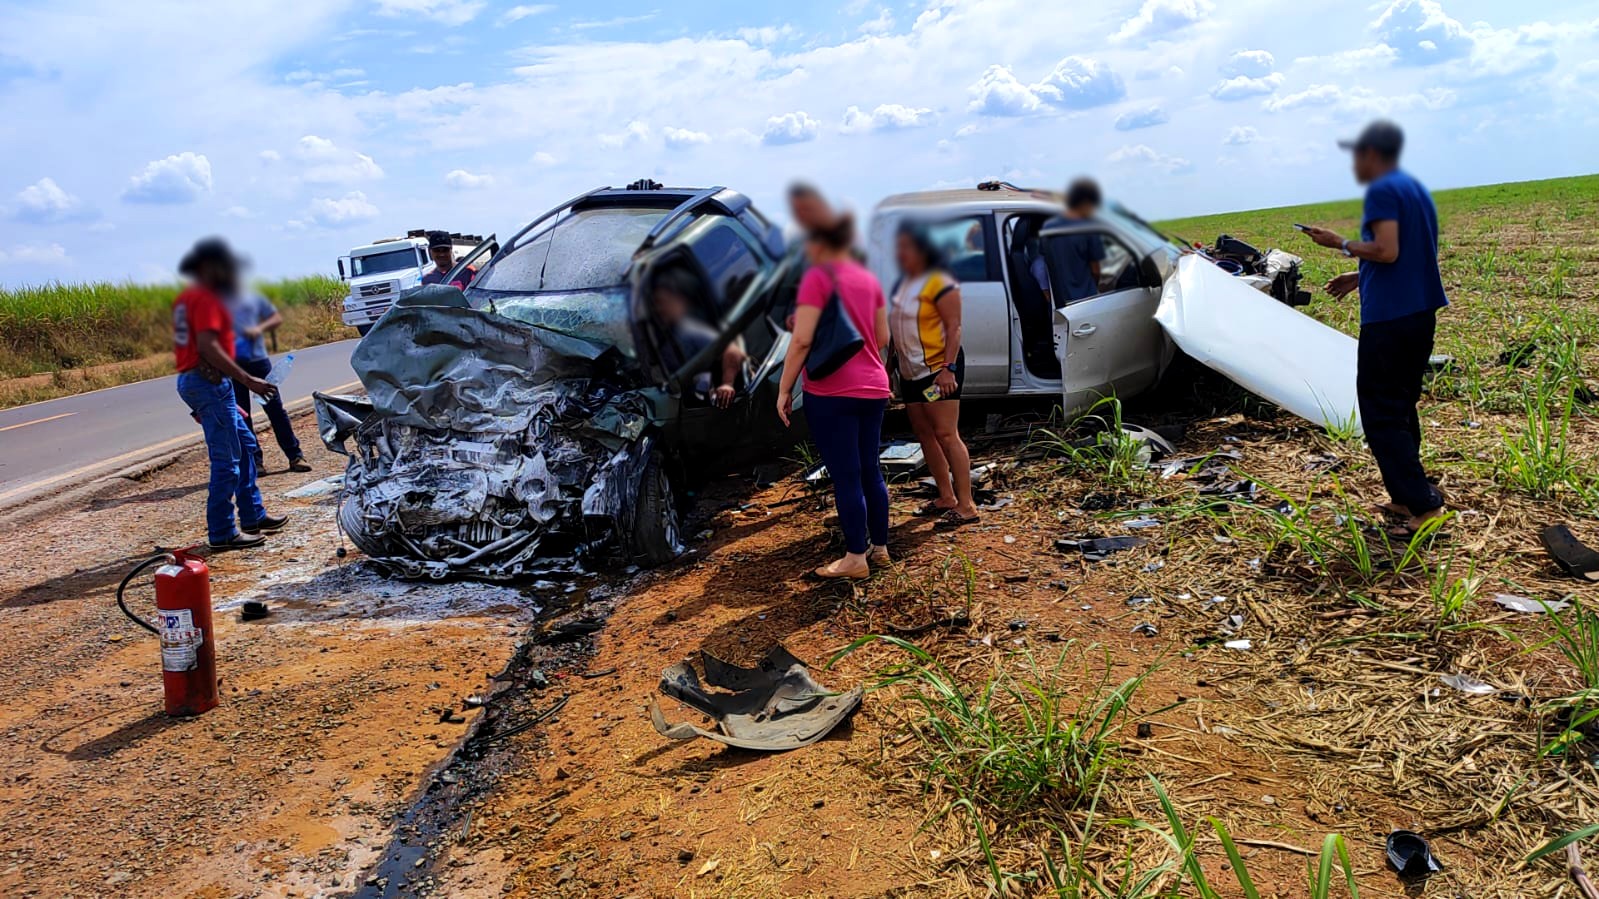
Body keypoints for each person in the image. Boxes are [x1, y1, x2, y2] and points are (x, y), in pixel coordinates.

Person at [1301, 119, 1449, 534]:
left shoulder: (1383, 191)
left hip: (1391, 319)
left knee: (1382, 412)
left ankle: (1423, 507)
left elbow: (1387, 250)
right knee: (1400, 405)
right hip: (1417, 313)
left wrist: (1339, 243)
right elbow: (1408, 254)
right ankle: (1408, 496)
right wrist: (1358, 276)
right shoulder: (1414, 189)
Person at [776, 213, 892, 580]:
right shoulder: (869, 281)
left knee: (846, 475)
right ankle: (881, 548)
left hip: (831, 392)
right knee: (870, 469)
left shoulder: (816, 281)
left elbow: (803, 340)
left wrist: (783, 389)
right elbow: (884, 337)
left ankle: (855, 557)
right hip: (874, 386)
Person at [172, 238, 289, 551]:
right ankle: (223, 532)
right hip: (207, 382)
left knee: (246, 446)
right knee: (226, 462)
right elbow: (207, 346)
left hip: (211, 385)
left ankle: (253, 515)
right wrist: (248, 379)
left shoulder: (191, 299)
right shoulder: (205, 300)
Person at [890, 222, 979, 528]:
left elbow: (954, 328)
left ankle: (967, 504)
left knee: (945, 433)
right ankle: (946, 496)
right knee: (924, 432)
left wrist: (948, 369)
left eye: (908, 247)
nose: (901, 253)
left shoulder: (941, 282)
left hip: (937, 372)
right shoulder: (902, 284)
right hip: (910, 373)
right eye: (898, 247)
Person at [227, 286, 312, 472]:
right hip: (230, 365)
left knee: (275, 410)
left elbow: (275, 318)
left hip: (257, 361)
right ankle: (255, 461)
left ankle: (295, 456)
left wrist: (259, 328)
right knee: (241, 415)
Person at [649, 265, 747, 408]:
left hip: (694, 403)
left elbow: (731, 350)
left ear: (678, 302)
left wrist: (727, 384)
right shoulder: (652, 334)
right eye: (655, 304)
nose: (659, 309)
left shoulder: (690, 331)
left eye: (662, 302)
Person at [1034, 178, 1106, 307]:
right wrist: (1092, 287)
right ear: (1086, 203)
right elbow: (1095, 271)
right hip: (1086, 299)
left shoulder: (1048, 226)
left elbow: (1045, 259)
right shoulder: (1090, 228)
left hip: (1060, 300)